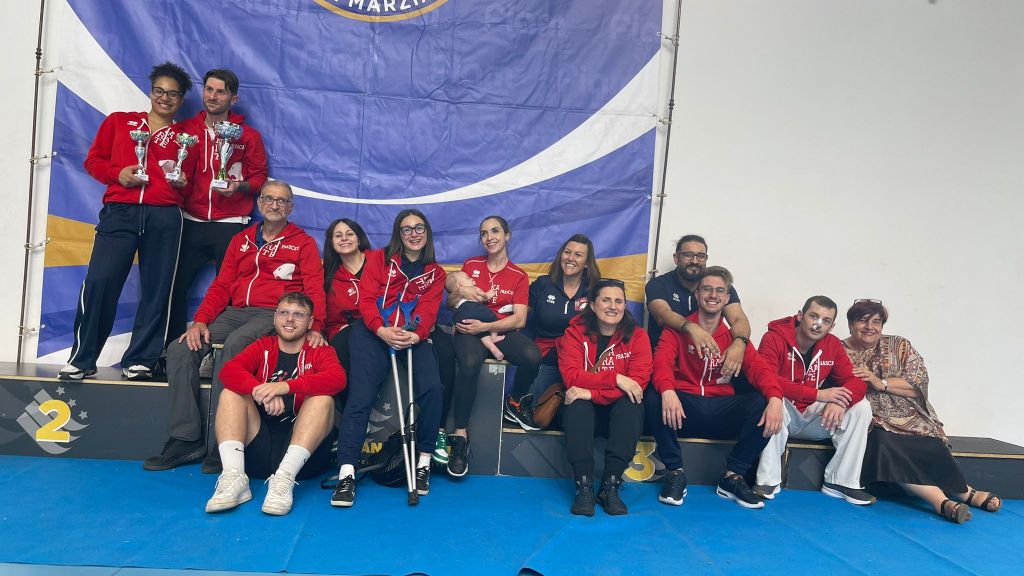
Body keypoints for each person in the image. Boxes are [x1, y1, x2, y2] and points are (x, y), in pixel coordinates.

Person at [143, 181, 326, 471]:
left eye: (282, 200)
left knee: (236, 345)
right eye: (269, 199)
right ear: (259, 203)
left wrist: (317, 326)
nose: (274, 205)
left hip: (273, 314)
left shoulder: (302, 243)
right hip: (235, 312)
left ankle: (224, 442)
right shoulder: (241, 239)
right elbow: (222, 285)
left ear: (290, 207)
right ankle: (185, 438)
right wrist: (201, 321)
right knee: (180, 349)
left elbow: (315, 288)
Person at [59, 62, 193, 381]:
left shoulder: (187, 138)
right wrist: (117, 174)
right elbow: (93, 161)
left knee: (157, 289)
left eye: (173, 94)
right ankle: (82, 358)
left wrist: (182, 184)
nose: (165, 98)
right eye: (159, 91)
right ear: (150, 92)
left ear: (181, 99)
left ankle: (141, 359)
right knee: (100, 282)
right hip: (121, 210)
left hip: (164, 215)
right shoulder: (120, 122)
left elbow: (192, 184)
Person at [842, 300, 1001, 524]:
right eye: (862, 321)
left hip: (909, 413)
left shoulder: (899, 345)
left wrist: (880, 383)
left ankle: (961, 492)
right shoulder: (838, 350)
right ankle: (943, 501)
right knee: (885, 443)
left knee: (927, 438)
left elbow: (917, 384)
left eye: (876, 322)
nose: (870, 327)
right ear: (850, 324)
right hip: (869, 417)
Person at [331, 209, 446, 507]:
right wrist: (381, 330)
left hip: (411, 335)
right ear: (398, 234)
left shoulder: (436, 273)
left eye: (419, 228)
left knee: (433, 388)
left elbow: (429, 310)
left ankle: (423, 462)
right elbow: (367, 299)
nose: (413, 234)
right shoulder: (378, 259)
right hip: (373, 332)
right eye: (406, 229)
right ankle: (346, 472)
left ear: (427, 232)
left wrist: (416, 335)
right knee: (361, 395)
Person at [647, 266, 784, 509]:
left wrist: (776, 398)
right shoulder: (676, 331)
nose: (713, 295)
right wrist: (668, 391)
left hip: (720, 409)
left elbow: (761, 371)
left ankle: (733, 476)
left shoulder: (735, 339)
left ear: (727, 298)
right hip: (684, 410)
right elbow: (661, 364)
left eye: (720, 291)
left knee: (763, 402)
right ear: (697, 295)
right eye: (707, 289)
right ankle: (675, 473)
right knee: (654, 396)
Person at [205, 293, 344, 516]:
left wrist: (285, 387)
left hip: (302, 460)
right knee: (231, 393)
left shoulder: (320, 350)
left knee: (322, 399)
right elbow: (229, 371)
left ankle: (283, 480)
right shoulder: (262, 346)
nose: (289, 319)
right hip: (258, 448)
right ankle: (234, 477)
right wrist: (262, 391)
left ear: (310, 322)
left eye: (298, 315)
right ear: (275, 317)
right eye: (284, 313)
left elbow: (337, 379)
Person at [168, 69, 269, 342]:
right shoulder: (185, 131)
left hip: (231, 225)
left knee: (230, 292)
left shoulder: (248, 136)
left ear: (233, 99)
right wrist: (179, 183)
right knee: (174, 287)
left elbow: (259, 177)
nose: (212, 96)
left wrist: (239, 187)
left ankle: (216, 350)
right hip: (191, 221)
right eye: (209, 89)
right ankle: (172, 349)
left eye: (220, 92)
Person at [753, 296, 875, 505]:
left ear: (832, 326)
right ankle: (768, 481)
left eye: (826, 321)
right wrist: (819, 395)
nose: (818, 324)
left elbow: (856, 382)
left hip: (812, 417)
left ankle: (841, 481)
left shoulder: (832, 344)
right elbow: (766, 378)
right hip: (784, 412)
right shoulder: (773, 338)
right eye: (814, 316)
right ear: (801, 316)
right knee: (772, 399)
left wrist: (841, 401)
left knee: (861, 407)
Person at [444, 215, 541, 477]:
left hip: (498, 329)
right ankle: (460, 436)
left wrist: (485, 326)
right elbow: (452, 301)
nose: (490, 237)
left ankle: (514, 402)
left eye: (495, 231)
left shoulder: (518, 275)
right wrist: (460, 294)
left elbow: (519, 319)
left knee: (532, 355)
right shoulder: (471, 265)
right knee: (469, 363)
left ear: (507, 235)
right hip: (469, 330)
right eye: (484, 233)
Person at [558, 279, 652, 516]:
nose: (613, 306)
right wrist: (616, 379)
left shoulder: (638, 336)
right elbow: (571, 376)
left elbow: (637, 384)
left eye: (619, 301)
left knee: (632, 405)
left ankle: (610, 486)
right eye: (606, 300)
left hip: (617, 413)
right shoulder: (574, 333)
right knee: (578, 406)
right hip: (585, 411)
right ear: (592, 305)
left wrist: (592, 392)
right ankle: (584, 486)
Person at [504, 234, 601, 430]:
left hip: (579, 360)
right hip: (547, 356)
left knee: (578, 412)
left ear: (587, 263)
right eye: (567, 252)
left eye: (578, 254)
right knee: (535, 414)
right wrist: (489, 328)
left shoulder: (595, 290)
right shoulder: (543, 284)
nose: (571, 258)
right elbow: (518, 315)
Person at [646, 234, 752, 381]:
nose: (695, 261)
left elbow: (738, 319)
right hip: (666, 363)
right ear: (676, 258)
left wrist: (740, 342)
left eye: (700, 256)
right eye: (688, 255)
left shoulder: (717, 286)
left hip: (707, 366)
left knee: (752, 383)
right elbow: (662, 314)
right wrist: (692, 328)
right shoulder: (658, 285)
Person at [323, 218, 371, 374]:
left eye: (350, 234)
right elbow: (333, 322)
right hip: (353, 332)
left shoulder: (379, 260)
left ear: (359, 239)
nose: (344, 238)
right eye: (338, 235)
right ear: (332, 243)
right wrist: (339, 330)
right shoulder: (331, 278)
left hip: (386, 323)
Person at [448, 271, 506, 360]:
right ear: (460, 285)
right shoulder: (472, 289)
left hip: (461, 317)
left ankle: (492, 347)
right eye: (468, 278)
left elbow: (450, 305)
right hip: (474, 309)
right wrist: (488, 295)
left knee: (481, 332)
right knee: (494, 320)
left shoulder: (454, 297)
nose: (471, 278)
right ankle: (494, 337)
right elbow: (481, 298)